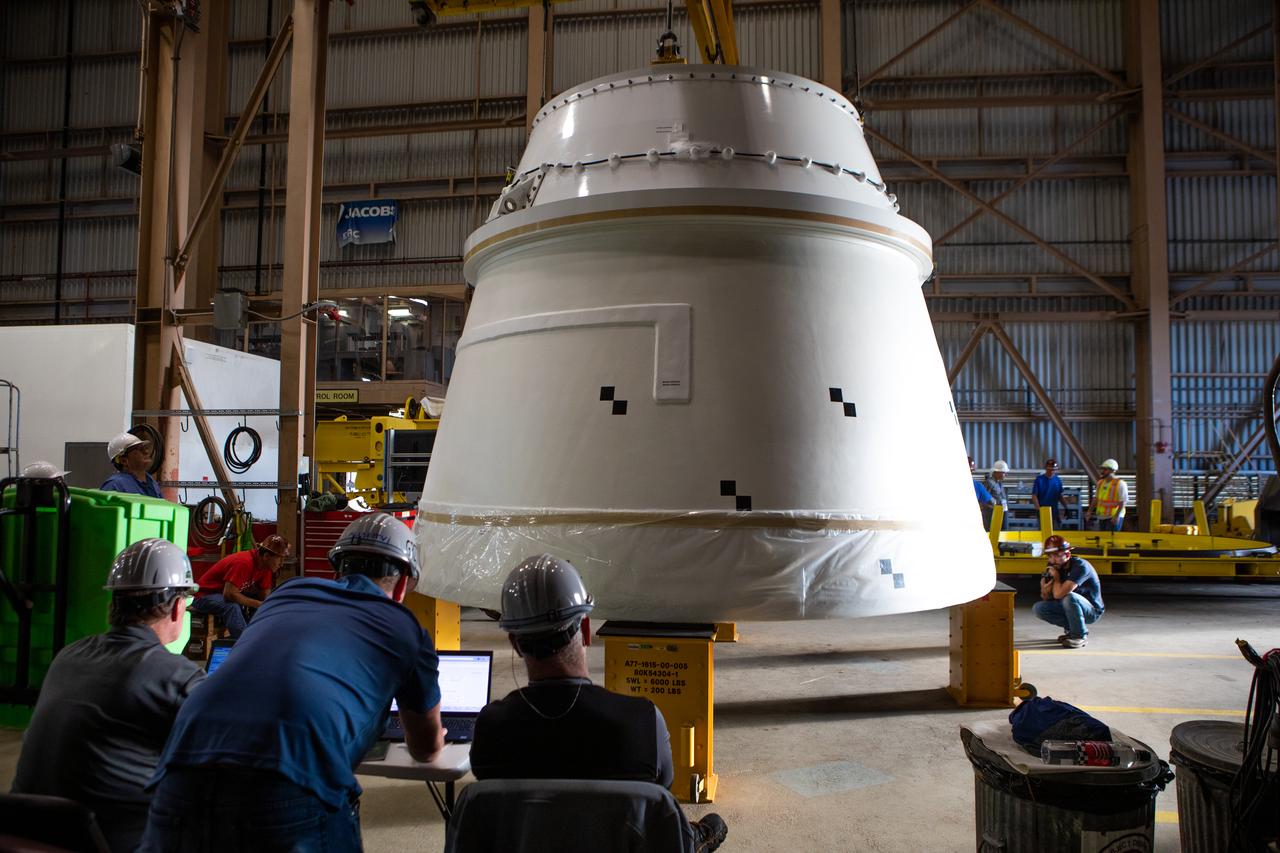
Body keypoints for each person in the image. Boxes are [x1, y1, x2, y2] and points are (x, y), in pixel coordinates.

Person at [140, 513, 445, 852]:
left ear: (337, 570)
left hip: (180, 768)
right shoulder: (404, 627)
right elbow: (426, 748)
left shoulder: (287, 594)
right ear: (403, 584)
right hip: (288, 777)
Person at [471, 554, 729, 853]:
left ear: (515, 643)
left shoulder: (491, 728)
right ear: (585, 629)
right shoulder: (641, 721)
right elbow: (661, 799)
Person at [10, 539, 204, 852]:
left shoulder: (68, 656)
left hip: (26, 835)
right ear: (177, 608)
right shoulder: (177, 677)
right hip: (110, 843)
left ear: (113, 603)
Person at [190, 534, 290, 638]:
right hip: (203, 596)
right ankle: (246, 643)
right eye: (280, 559)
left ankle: (258, 636)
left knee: (260, 603)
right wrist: (258, 604)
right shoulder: (244, 563)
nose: (282, 564)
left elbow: (265, 599)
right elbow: (229, 594)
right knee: (232, 607)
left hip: (222, 594)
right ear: (266, 556)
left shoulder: (266, 567)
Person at [1032, 535, 1104, 648]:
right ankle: (1073, 629)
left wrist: (1056, 578)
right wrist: (1045, 587)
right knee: (1039, 608)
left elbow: (1059, 594)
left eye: (1057, 555)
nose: (1052, 560)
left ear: (1068, 555)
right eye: (1050, 556)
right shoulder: (1054, 566)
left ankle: (1079, 636)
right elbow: (1046, 597)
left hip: (1091, 610)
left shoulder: (1080, 566)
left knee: (1069, 597)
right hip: (1069, 606)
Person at [100, 432, 163, 498]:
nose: (146, 452)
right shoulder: (115, 485)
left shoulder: (151, 482)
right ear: (124, 461)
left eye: (145, 448)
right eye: (140, 449)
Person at [1087, 459, 1128, 532]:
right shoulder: (1100, 483)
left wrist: (1116, 516)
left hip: (1113, 516)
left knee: (1112, 538)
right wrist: (1089, 511)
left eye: (1105, 469)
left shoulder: (1120, 484)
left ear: (1112, 471)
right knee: (1103, 538)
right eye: (1103, 469)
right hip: (1102, 516)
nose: (1102, 471)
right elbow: (1096, 498)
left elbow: (1123, 502)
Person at [1031, 458, 1066, 527]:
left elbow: (1060, 495)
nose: (1052, 472)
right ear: (1046, 468)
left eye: (1054, 470)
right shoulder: (1039, 479)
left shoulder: (1057, 480)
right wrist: (1038, 509)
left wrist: (1066, 507)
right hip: (1043, 511)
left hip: (1054, 512)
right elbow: (1034, 496)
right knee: (1044, 530)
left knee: (1056, 530)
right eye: (1050, 470)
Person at [984, 460, 1010, 530]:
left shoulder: (999, 483)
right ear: (997, 472)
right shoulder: (989, 483)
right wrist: (994, 506)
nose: (1006, 475)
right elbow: (984, 499)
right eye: (1004, 473)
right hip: (992, 514)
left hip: (1002, 511)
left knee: (1003, 532)